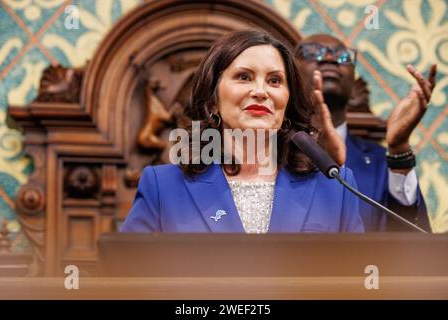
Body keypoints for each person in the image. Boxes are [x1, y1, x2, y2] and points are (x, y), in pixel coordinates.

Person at [121, 30, 364, 233]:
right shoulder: (163, 187)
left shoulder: (335, 188)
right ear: (213, 101)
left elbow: (356, 280)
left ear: (287, 102)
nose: (261, 91)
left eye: (275, 81)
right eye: (244, 77)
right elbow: (127, 277)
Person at [296, 34, 436, 232]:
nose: (329, 59)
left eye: (343, 56)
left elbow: (413, 244)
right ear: (290, 74)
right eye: (313, 52)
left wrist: (399, 149)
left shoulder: (380, 162)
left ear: (354, 83)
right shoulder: (270, 154)